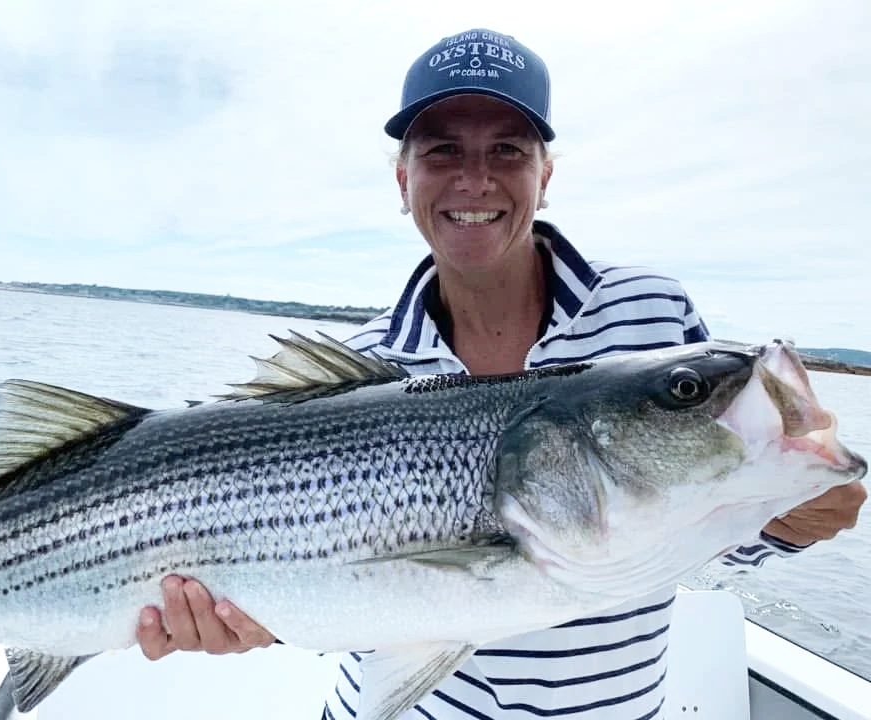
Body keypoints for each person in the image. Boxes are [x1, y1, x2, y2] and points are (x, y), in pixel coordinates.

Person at [135, 28, 866, 719]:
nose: (475, 179)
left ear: (545, 176)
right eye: (443, 150)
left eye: (509, 151)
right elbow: (340, 594)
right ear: (403, 179)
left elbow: (688, 515)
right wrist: (251, 617)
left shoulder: (651, 311)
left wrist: (789, 520)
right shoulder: (361, 368)